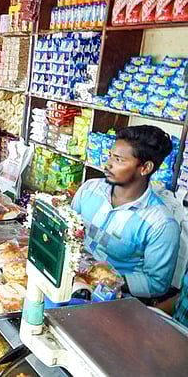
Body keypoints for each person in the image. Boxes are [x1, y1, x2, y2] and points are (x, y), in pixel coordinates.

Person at [71, 125, 180, 300]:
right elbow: (68, 232)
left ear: (145, 168)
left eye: (119, 160)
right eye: (110, 156)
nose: (108, 164)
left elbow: (157, 284)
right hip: (71, 281)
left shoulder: (160, 224)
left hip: (113, 300)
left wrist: (106, 279)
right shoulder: (89, 190)